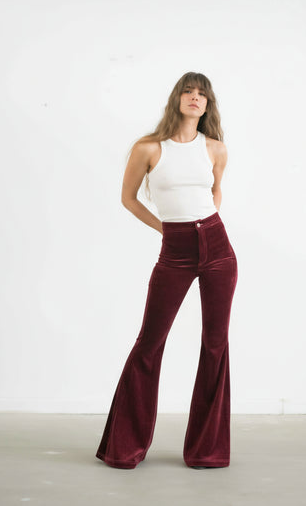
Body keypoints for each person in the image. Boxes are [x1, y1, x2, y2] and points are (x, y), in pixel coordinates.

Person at [95, 71, 238, 470]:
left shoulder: (216, 148)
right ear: (177, 98)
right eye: (188, 91)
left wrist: (204, 226)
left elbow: (215, 191)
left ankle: (207, 451)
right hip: (175, 251)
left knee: (215, 344)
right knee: (149, 342)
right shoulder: (149, 148)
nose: (195, 97)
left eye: (202, 94)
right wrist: (167, 229)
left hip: (218, 249)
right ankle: (124, 447)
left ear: (208, 105)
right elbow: (128, 199)